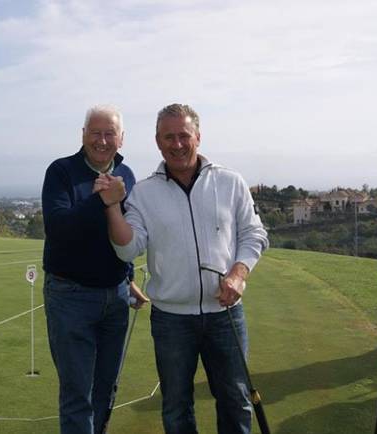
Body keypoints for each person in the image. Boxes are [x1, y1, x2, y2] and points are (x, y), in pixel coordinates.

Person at [97, 103, 268, 434]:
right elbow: (128, 248)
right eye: (168, 137)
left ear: (198, 137)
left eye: (184, 136)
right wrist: (112, 207)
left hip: (225, 313)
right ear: (158, 142)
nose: (177, 144)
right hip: (171, 319)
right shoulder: (144, 193)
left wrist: (238, 274)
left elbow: (254, 235)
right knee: (176, 407)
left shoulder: (230, 182)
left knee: (235, 400)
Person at [41, 104, 148, 434]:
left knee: (104, 390)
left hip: (115, 296)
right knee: (78, 396)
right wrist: (101, 200)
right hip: (69, 295)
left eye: (109, 133)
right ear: (83, 135)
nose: (102, 140)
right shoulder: (61, 172)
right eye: (95, 133)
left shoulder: (126, 175)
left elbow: (120, 233)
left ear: (121, 138)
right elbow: (58, 228)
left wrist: (128, 276)